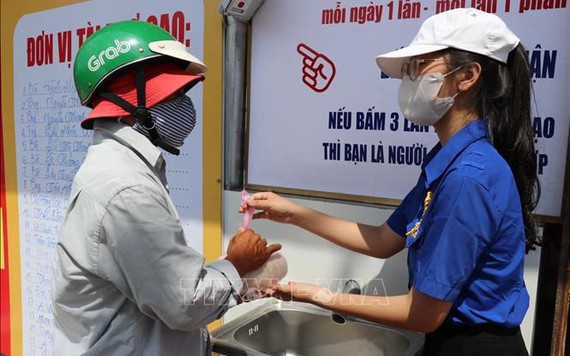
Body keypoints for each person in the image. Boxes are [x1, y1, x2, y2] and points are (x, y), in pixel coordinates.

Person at [241, 8, 539, 356]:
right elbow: (383, 240)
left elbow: (423, 313)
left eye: (421, 65)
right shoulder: (449, 162)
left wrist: (317, 296)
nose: (408, 79)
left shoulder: (467, 177)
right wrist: (292, 213)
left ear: (468, 76)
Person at [51, 20, 281, 355]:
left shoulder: (126, 170)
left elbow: (159, 283)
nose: (184, 106)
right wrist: (237, 264)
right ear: (130, 103)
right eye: (172, 95)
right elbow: (182, 303)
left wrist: (231, 276)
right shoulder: (126, 188)